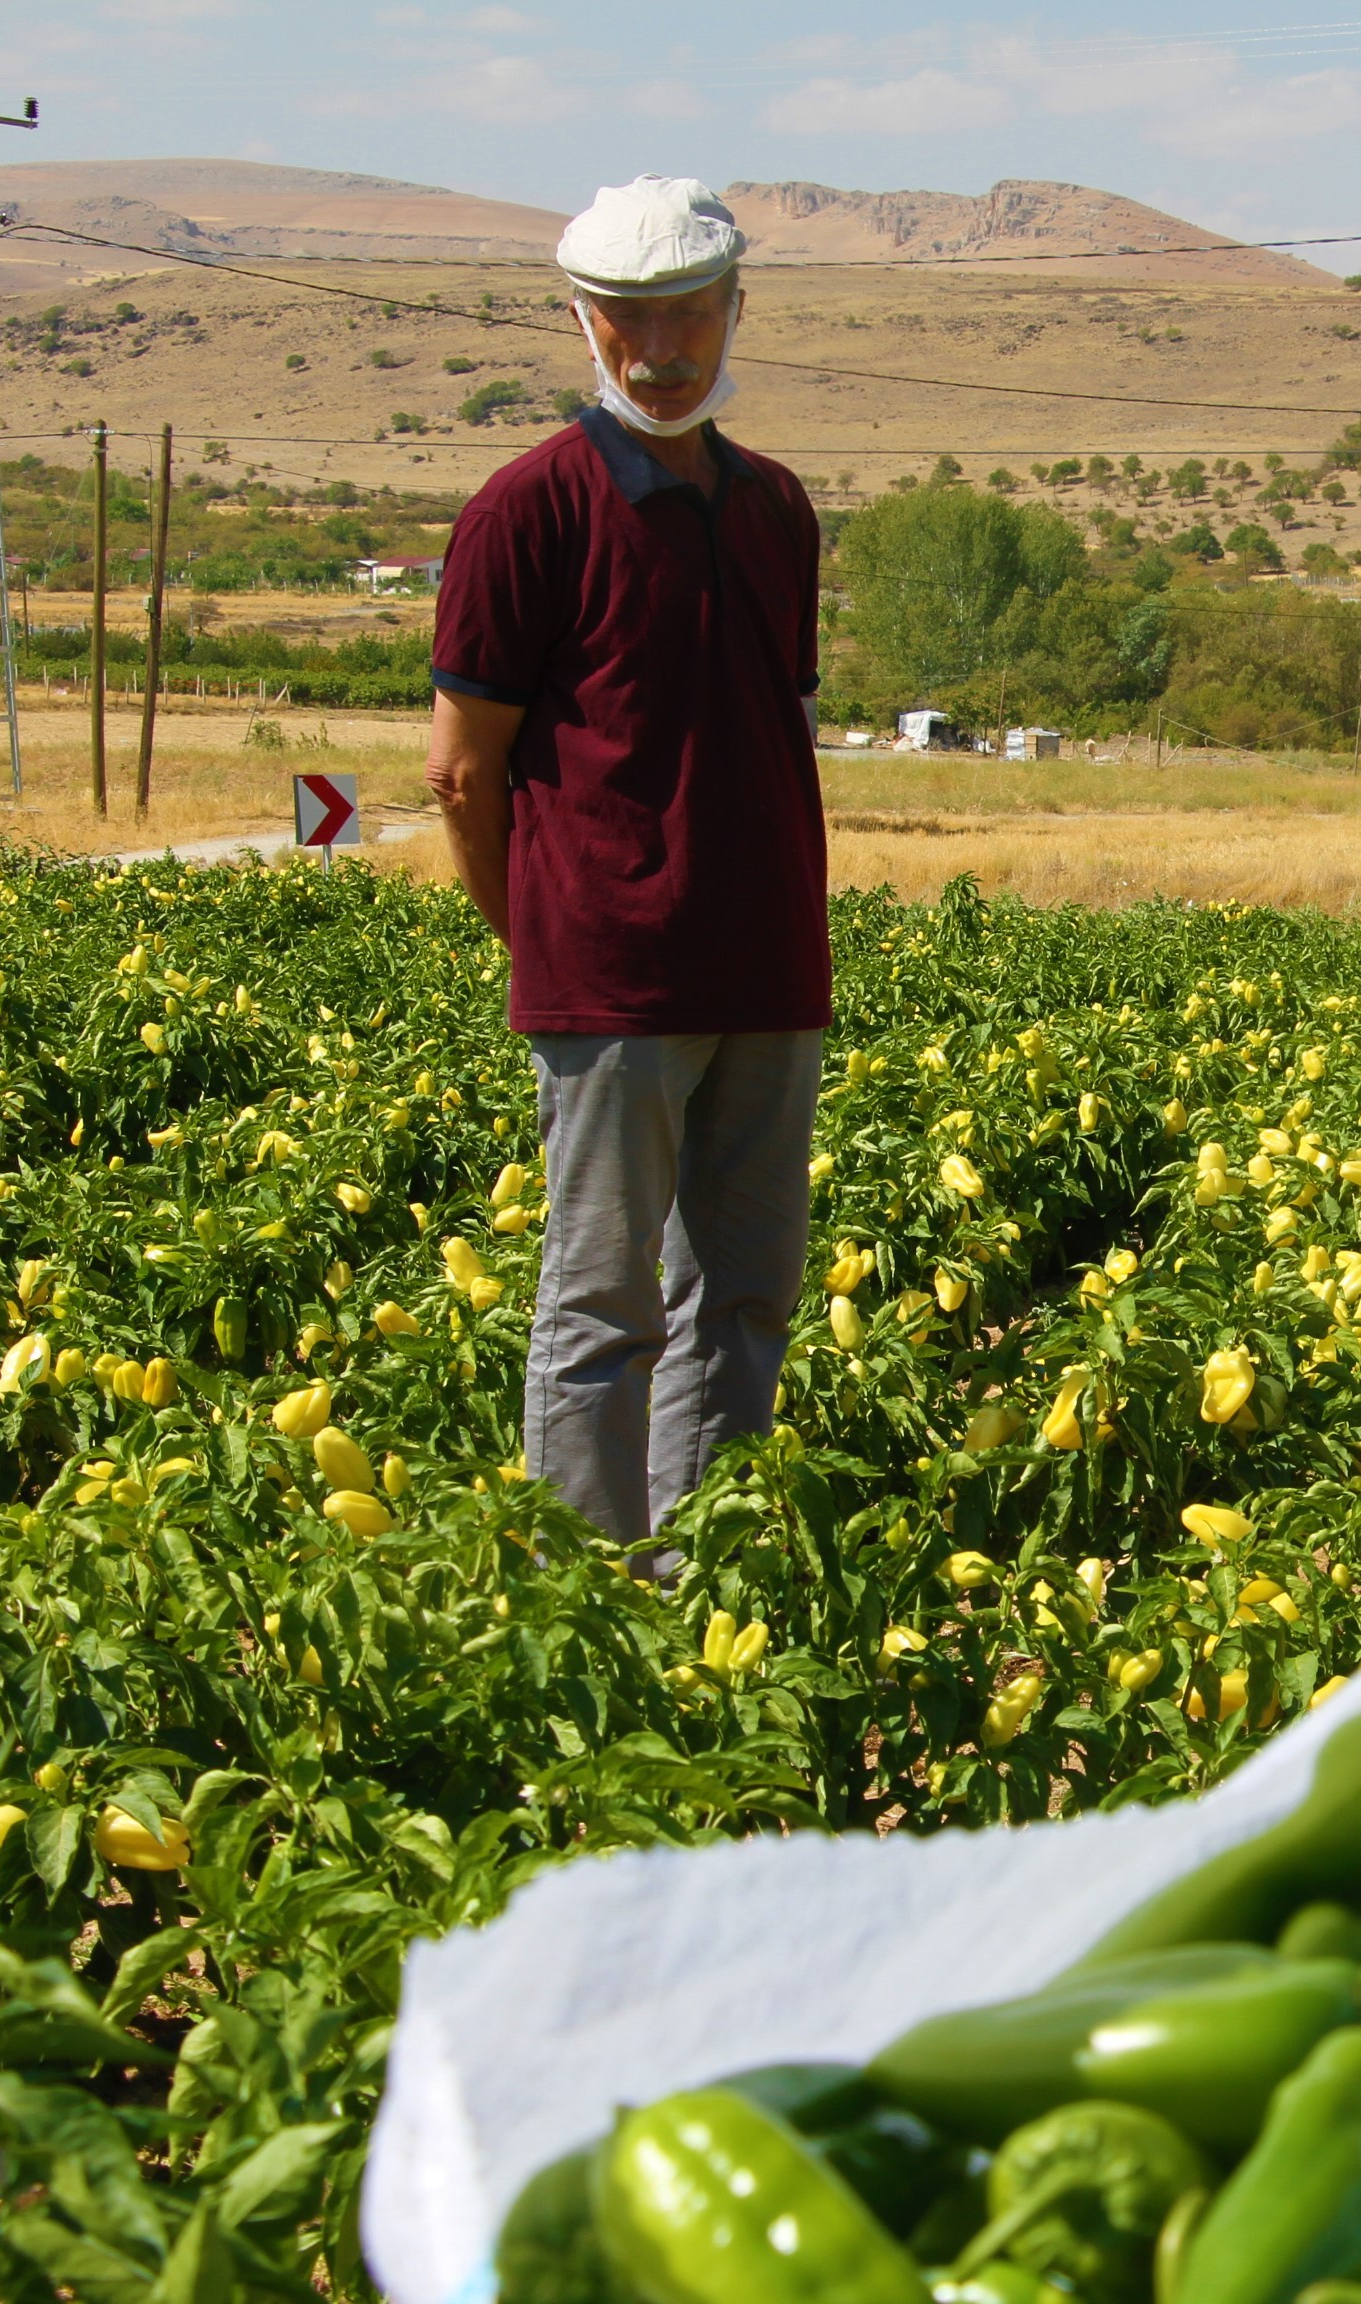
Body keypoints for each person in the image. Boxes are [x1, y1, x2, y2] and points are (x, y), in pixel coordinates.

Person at [423, 176, 831, 1554]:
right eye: (626, 322)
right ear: (584, 324)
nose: (660, 351)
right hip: (611, 984)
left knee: (748, 1299)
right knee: (602, 1312)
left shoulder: (777, 508)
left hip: (771, 973)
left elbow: (769, 728)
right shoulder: (524, 511)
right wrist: (549, 940)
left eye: (687, 316)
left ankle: (701, 1581)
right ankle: (592, 1605)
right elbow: (460, 771)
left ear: (733, 309)